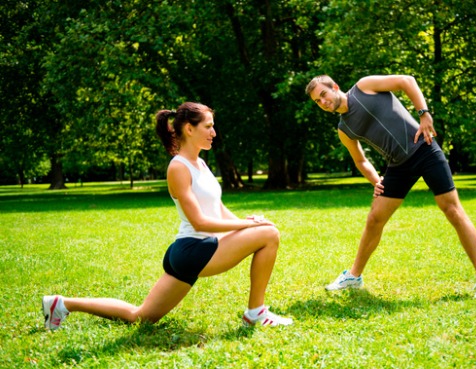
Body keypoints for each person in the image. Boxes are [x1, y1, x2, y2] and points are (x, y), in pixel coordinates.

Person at [42, 102, 293, 330]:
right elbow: (200, 222)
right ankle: (256, 313)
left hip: (190, 252)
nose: (214, 133)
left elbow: (216, 210)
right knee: (269, 234)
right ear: (189, 129)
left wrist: (248, 222)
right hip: (195, 249)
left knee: (140, 316)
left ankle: (62, 304)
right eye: (208, 127)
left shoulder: (201, 164)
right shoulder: (178, 167)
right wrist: (251, 227)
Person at [305, 75, 476, 298]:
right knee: (375, 218)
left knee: (452, 209)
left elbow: (407, 81)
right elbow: (360, 160)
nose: (323, 102)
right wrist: (377, 181)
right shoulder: (344, 129)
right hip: (397, 166)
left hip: (424, 148)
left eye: (323, 94)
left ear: (335, 87)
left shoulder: (364, 87)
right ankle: (354, 276)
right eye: (317, 101)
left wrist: (424, 114)